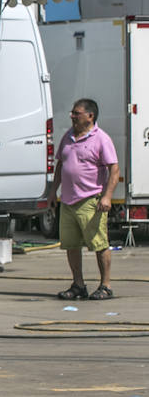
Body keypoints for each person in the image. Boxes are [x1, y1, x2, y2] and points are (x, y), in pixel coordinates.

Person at [48, 98, 118, 300]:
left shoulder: (101, 139)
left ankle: (105, 285)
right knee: (71, 245)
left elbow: (114, 169)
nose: (72, 116)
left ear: (90, 116)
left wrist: (107, 196)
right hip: (68, 201)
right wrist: (54, 191)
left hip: (90, 200)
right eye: (72, 112)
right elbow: (61, 164)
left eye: (76, 113)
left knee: (98, 244)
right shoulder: (68, 137)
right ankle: (78, 284)